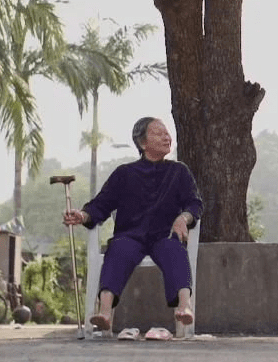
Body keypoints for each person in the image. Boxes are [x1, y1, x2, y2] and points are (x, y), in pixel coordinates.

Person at [63, 117, 202, 332]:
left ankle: (185, 306)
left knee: (174, 249)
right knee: (118, 249)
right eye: (158, 133)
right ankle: (104, 312)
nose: (166, 137)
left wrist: (184, 218)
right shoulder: (124, 173)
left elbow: (194, 203)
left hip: (164, 236)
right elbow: (101, 204)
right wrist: (82, 215)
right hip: (130, 236)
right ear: (143, 143)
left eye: (166, 132)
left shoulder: (179, 171)